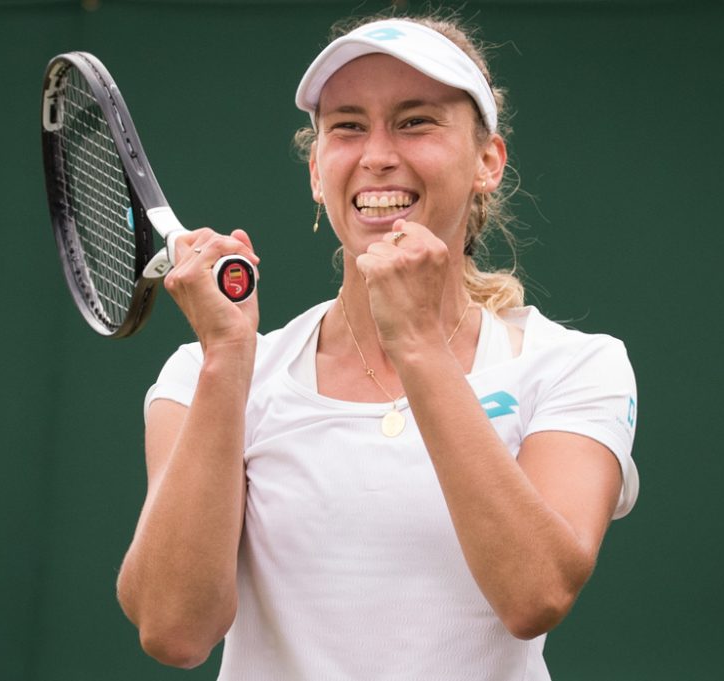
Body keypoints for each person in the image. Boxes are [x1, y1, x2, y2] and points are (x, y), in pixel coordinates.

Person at [115, 12, 639, 681]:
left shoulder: (576, 367)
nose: (377, 154)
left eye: (416, 121)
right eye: (348, 126)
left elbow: (535, 592)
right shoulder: (203, 373)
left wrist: (415, 339)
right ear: (316, 169)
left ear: (487, 162)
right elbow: (173, 629)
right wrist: (225, 356)